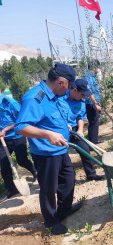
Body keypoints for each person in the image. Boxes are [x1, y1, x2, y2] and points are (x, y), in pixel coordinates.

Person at [14, 63, 81, 235]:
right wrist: (48, 135)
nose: (69, 90)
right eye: (68, 85)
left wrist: (64, 126)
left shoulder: (54, 95)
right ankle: (51, 221)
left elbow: (51, 117)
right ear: (60, 82)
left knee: (68, 180)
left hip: (61, 150)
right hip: (46, 154)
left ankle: (64, 210)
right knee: (49, 189)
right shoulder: (35, 97)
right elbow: (21, 127)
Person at [58, 79, 103, 181]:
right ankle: (66, 179)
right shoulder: (59, 98)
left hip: (74, 129)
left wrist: (80, 130)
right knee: (62, 155)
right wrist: (64, 124)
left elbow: (81, 117)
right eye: (82, 94)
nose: (84, 97)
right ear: (74, 90)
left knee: (85, 149)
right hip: (60, 130)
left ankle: (91, 174)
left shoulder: (81, 102)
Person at [0, 89, 37, 204]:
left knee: (21, 160)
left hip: (16, 136)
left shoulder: (10, 102)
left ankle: (35, 171)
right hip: (3, 139)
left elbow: (21, 120)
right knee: (3, 163)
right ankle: (11, 189)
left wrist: (5, 129)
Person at [82, 60, 102, 144]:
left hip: (92, 102)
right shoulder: (89, 77)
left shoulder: (89, 75)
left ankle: (93, 140)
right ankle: (93, 142)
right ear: (94, 67)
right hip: (91, 103)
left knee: (93, 122)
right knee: (94, 121)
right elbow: (90, 92)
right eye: (97, 67)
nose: (98, 69)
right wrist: (96, 104)